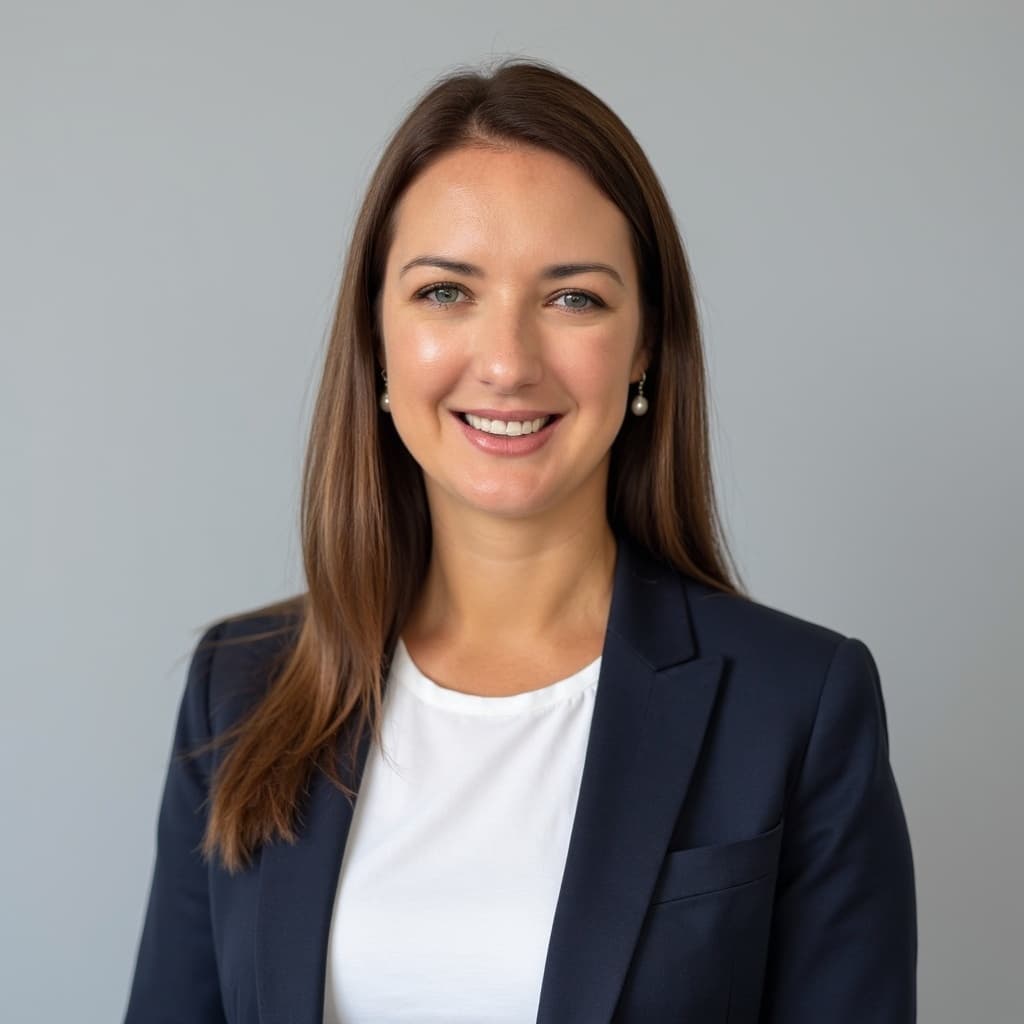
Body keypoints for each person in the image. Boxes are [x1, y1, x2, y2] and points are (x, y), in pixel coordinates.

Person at [123, 57, 917, 1023]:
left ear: (644, 348)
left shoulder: (797, 705)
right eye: (446, 292)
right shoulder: (240, 686)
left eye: (572, 297)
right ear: (377, 338)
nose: (505, 362)